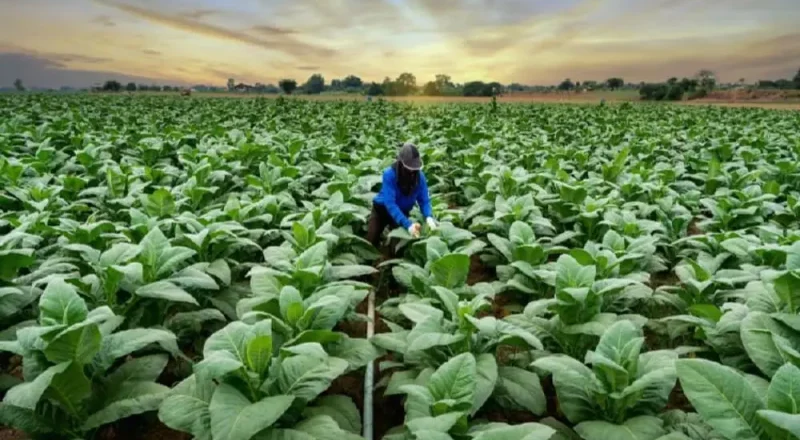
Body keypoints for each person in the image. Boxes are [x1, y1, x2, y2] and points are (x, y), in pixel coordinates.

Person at [368, 143, 437, 248]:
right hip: (382, 210)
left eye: (415, 169)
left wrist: (428, 216)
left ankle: (390, 261)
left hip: (402, 212)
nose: (413, 172)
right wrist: (408, 224)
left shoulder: (420, 177)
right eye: (410, 168)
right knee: (371, 241)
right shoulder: (389, 174)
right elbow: (390, 204)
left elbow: (424, 200)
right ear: (400, 163)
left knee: (397, 247)